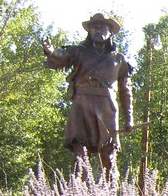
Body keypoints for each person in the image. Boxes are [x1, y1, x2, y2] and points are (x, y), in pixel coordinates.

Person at [43, 13, 134, 179]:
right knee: (80, 155)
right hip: (82, 105)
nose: (97, 31)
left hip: (106, 108)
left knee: (109, 156)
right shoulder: (79, 52)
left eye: (102, 27)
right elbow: (61, 56)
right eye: (94, 27)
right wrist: (50, 50)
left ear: (110, 32)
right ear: (89, 31)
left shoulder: (119, 60)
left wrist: (129, 119)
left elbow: (125, 90)